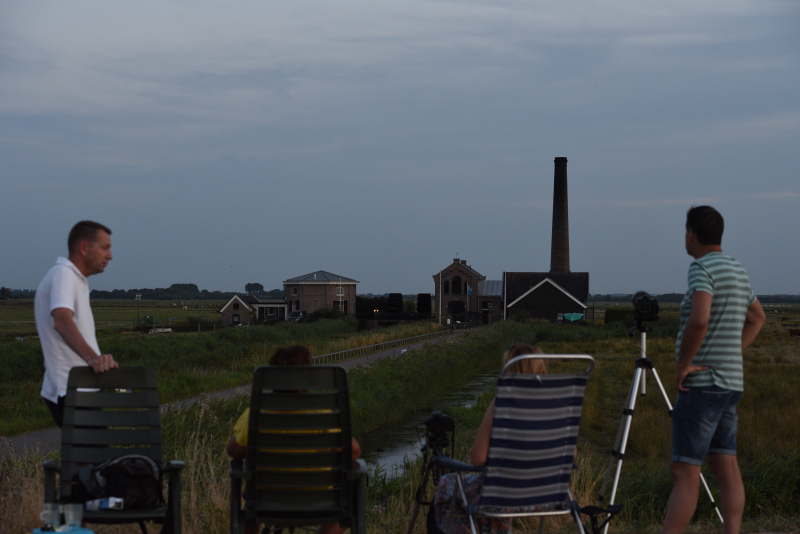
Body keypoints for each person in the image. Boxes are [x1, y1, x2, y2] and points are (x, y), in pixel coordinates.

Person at [661, 206, 766, 534]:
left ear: (691, 234)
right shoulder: (737, 269)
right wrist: (731, 353)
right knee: (725, 466)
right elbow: (758, 318)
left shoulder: (701, 268)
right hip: (730, 384)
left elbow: (700, 318)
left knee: (684, 472)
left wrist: (683, 366)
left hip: (702, 385)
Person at [227, 345, 361, 534]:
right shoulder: (322, 416)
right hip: (318, 500)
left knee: (251, 507)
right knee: (350, 505)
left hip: (266, 502)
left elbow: (234, 451)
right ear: (307, 380)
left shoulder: (255, 416)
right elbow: (353, 452)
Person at [433, 344, 547, 534]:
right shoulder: (556, 403)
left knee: (446, 484)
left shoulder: (502, 401)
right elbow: (571, 453)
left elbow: (477, 458)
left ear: (509, 370)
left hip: (502, 496)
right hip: (545, 495)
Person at [35, 220, 119, 428]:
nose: (110, 255)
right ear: (83, 248)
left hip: (80, 387)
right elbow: (62, 320)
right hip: (71, 388)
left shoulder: (75, 279)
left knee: (90, 458)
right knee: (91, 456)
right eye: (104, 248)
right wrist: (94, 359)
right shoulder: (64, 274)